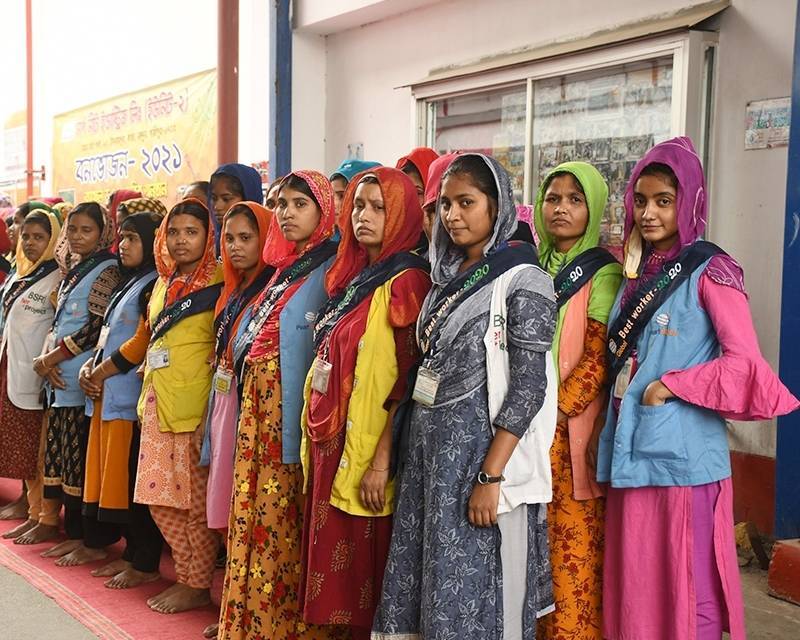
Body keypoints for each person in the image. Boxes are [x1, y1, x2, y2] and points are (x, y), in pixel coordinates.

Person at [597, 137, 799, 640]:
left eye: (664, 201)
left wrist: (671, 384)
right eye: (640, 201)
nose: (649, 213)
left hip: (682, 457)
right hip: (631, 448)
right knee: (638, 583)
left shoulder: (711, 269)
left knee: (689, 588)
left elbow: (745, 365)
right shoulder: (633, 274)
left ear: (690, 202)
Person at [373, 154, 558, 640]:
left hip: (482, 464)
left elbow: (528, 387)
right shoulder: (443, 282)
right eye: (446, 204)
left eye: (466, 203)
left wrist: (490, 476)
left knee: (485, 593)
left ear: (497, 208)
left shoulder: (525, 279)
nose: (452, 215)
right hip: (431, 464)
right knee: (432, 589)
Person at [299, 167, 431, 639]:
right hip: (332, 435)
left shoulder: (407, 281)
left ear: (402, 213)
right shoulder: (353, 275)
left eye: (379, 207)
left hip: (370, 443)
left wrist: (382, 457)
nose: (364, 216)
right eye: (358, 205)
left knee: (361, 570)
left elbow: (407, 381)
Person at [217, 170, 339, 640]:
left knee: (283, 521)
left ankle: (278, 628)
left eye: (298, 204)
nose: (286, 213)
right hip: (258, 415)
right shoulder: (284, 266)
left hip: (290, 416)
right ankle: (247, 622)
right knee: (253, 513)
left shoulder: (332, 268)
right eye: (281, 203)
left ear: (324, 211)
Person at [532, 162, 622, 640]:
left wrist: (543, 415)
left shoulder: (603, 272)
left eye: (574, 198)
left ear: (594, 207)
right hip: (523, 434)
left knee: (570, 559)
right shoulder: (530, 265)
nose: (561, 207)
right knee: (530, 556)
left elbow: (595, 362)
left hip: (566, 437)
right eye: (553, 197)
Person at [133, 198, 223, 614]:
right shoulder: (163, 282)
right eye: (174, 232)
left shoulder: (222, 282)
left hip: (195, 408)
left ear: (209, 237)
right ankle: (186, 573)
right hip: (156, 403)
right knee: (159, 499)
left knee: (194, 504)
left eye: (191, 232)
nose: (181, 240)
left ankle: (195, 582)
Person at [78, 211, 166, 589]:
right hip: (109, 395)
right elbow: (107, 334)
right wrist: (89, 369)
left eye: (134, 238)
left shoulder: (154, 285)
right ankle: (131, 556)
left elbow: (141, 342)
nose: (124, 245)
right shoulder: (128, 282)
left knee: (134, 484)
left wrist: (99, 372)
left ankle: (143, 561)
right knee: (119, 482)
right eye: (123, 237)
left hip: (132, 401)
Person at [34, 202, 120, 564]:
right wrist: (47, 361)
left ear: (103, 233)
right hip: (58, 376)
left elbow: (93, 329)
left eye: (87, 230)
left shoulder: (107, 270)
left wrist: (53, 358)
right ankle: (67, 530)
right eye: (72, 230)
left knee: (78, 459)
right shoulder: (72, 269)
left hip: (80, 375)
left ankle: (87, 538)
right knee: (63, 458)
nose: (77, 237)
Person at [202, 201, 274, 532]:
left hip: (248, 400)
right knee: (222, 480)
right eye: (229, 239)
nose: (235, 247)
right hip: (225, 395)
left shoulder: (270, 286)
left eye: (246, 238)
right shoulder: (235, 285)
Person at [0, 210, 62, 543]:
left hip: (39, 372)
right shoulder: (20, 272)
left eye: (39, 237)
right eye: (26, 236)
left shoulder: (56, 277)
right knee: (25, 447)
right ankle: (32, 510)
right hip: (12, 366)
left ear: (52, 238)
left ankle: (45, 516)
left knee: (39, 451)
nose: (30, 242)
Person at [209, 164, 264, 229]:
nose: (217, 207)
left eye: (226, 199)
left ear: (247, 199)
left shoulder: (267, 237)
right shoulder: (211, 236)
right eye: (214, 198)